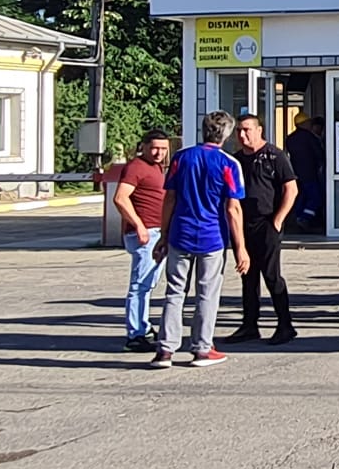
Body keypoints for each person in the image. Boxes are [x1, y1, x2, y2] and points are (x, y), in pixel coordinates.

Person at [149, 112, 249, 369]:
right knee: (207, 293)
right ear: (227, 135)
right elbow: (233, 209)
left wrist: (163, 234)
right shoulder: (229, 163)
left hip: (180, 232)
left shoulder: (181, 158)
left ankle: (165, 350)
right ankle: (202, 348)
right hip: (212, 236)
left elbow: (170, 198)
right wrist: (240, 247)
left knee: (174, 292)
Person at [226, 114, 300, 343]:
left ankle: (285, 325)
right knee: (247, 275)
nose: (242, 135)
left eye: (247, 129)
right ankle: (249, 325)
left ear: (259, 130)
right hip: (243, 223)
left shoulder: (275, 155)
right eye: (238, 130)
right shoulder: (236, 160)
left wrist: (278, 220)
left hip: (267, 223)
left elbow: (291, 189)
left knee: (271, 275)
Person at [112, 130, 172, 351]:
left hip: (157, 233)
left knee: (148, 284)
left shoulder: (156, 167)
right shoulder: (136, 167)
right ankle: (135, 334)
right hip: (145, 234)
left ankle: (143, 327)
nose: (159, 153)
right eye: (155, 148)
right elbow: (120, 198)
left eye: (163, 149)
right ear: (143, 146)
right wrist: (139, 225)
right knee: (140, 285)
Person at [285, 115, 326, 233]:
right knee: (316, 198)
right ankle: (304, 218)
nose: (310, 124)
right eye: (308, 122)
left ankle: (298, 218)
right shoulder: (309, 137)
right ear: (303, 124)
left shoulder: (290, 138)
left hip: (295, 173)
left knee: (301, 197)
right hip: (309, 173)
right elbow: (319, 153)